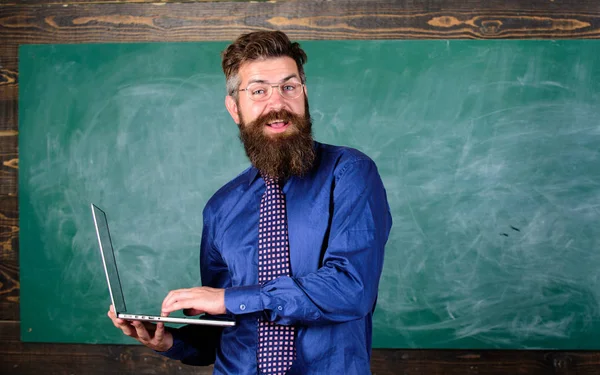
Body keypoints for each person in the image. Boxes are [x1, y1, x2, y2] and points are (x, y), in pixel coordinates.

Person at [108, 30, 392, 375]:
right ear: (235, 108)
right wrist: (169, 342)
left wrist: (228, 298)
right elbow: (223, 330)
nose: (277, 104)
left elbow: (352, 287)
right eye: (258, 91)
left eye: (289, 87)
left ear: (304, 94)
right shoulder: (221, 208)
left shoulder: (349, 173)